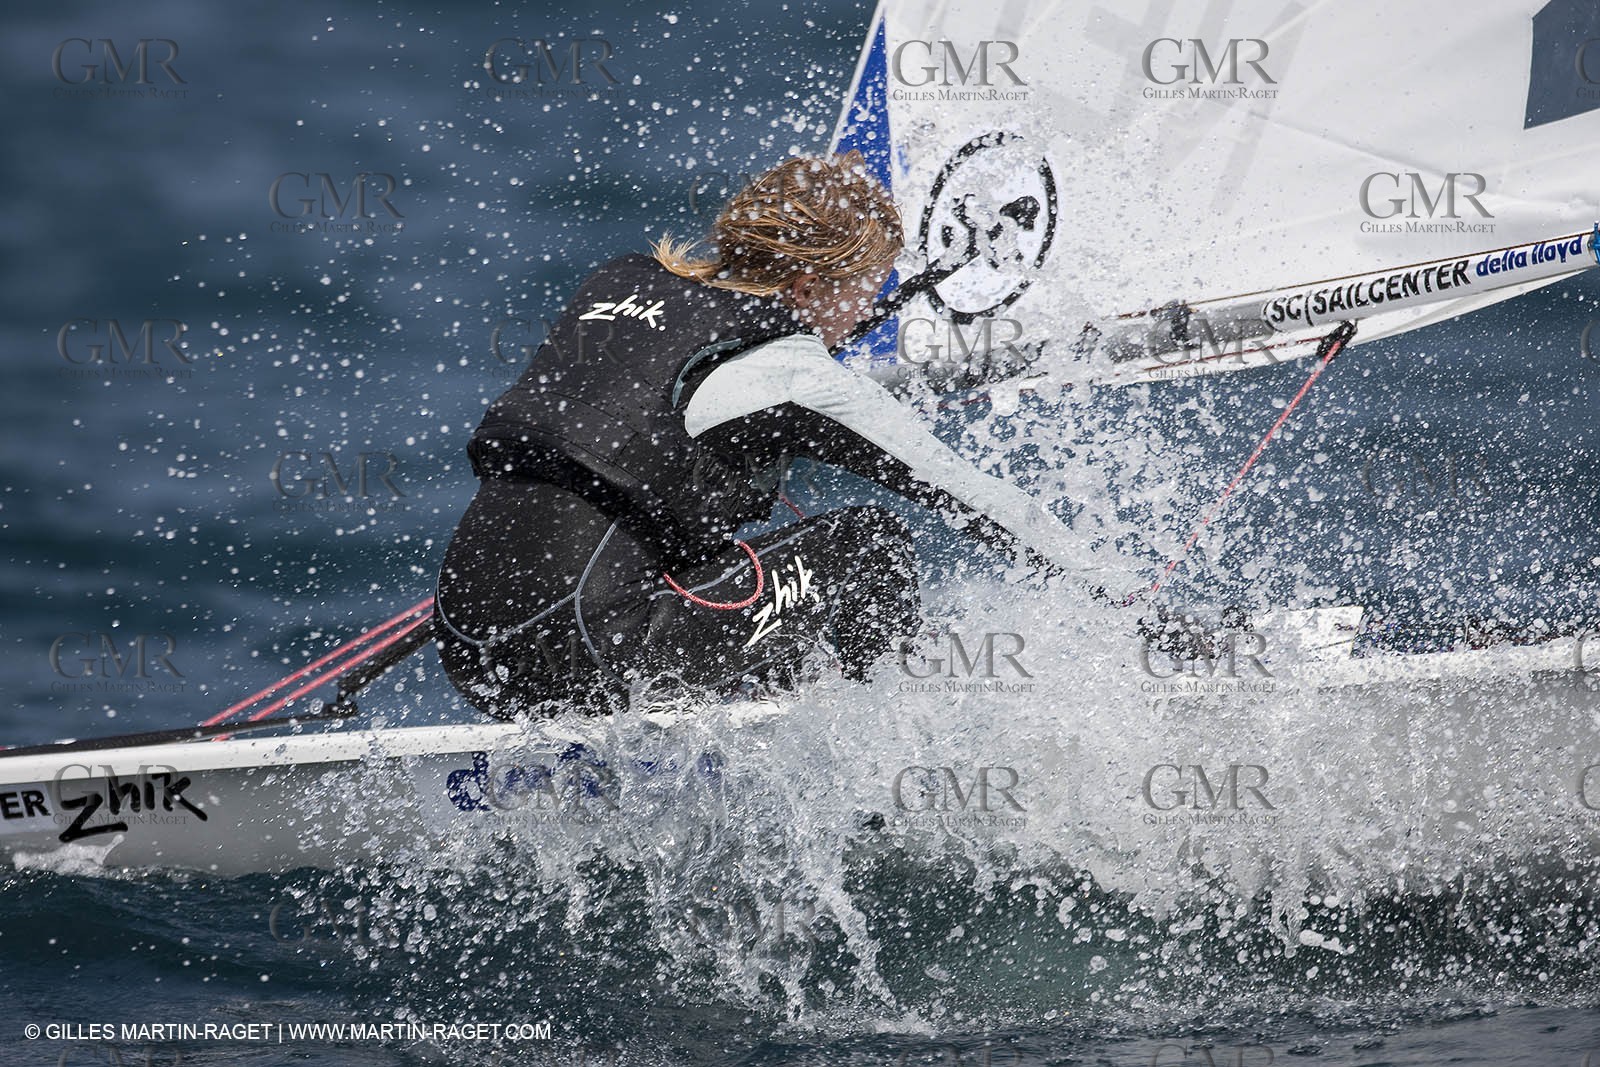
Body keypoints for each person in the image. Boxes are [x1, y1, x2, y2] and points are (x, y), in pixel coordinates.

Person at [435, 152, 1081, 719]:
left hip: (468, 644)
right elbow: (971, 494)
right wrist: (1130, 603)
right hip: (594, 654)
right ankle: (890, 751)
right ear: (807, 286)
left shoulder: (626, 293)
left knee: (770, 637)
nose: (868, 312)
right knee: (870, 546)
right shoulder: (791, 371)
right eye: (866, 290)